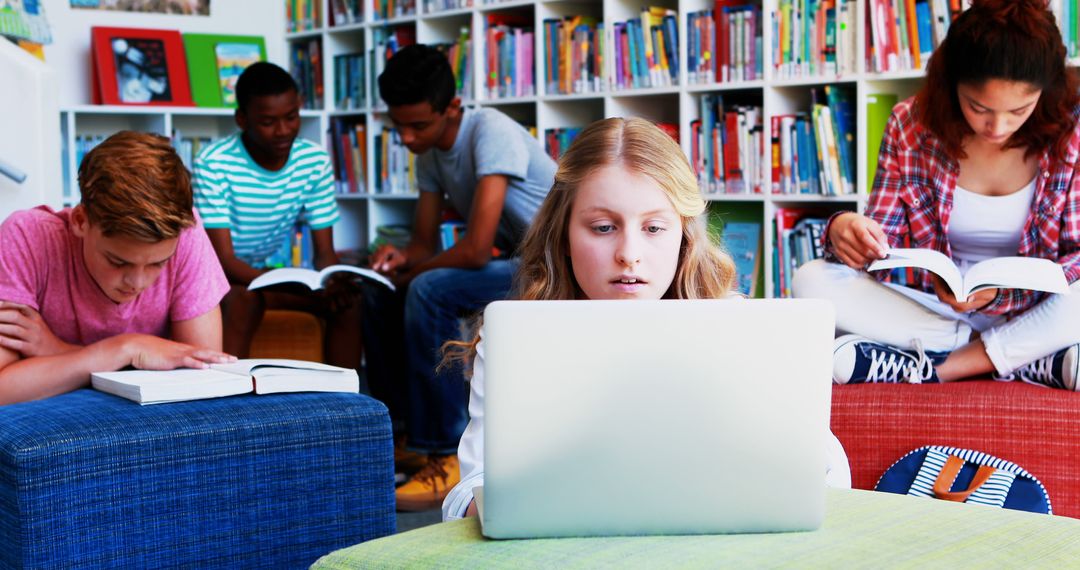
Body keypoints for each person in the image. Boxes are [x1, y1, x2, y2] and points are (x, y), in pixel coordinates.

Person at [441, 117, 852, 520]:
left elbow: (831, 472)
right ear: (563, 235)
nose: (629, 253)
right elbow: (464, 493)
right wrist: (504, 506)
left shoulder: (739, 329)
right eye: (603, 227)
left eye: (654, 228)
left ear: (684, 237)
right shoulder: (516, 340)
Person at [793, 0, 1080, 390]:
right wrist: (848, 231)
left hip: (1032, 310)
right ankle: (1029, 359)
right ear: (952, 85)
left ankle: (946, 367)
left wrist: (1004, 297)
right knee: (811, 280)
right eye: (979, 107)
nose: (997, 126)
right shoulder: (910, 125)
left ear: (1044, 94)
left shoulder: (1071, 130)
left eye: (1020, 109)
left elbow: (1076, 259)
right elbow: (884, 242)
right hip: (938, 312)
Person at [373, 44, 558, 510]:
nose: (409, 138)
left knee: (429, 288)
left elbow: (475, 250)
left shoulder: (489, 130)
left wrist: (415, 272)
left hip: (552, 263)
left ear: (452, 108)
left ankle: (446, 451)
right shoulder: (431, 154)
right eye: (399, 127)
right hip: (514, 261)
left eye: (419, 126)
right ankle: (409, 437)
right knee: (377, 291)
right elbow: (421, 242)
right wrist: (399, 260)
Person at [0, 131, 233, 405]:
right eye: (118, 261)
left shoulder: (185, 232)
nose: (137, 282)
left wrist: (60, 352)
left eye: (158, 263)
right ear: (80, 221)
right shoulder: (27, 237)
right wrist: (126, 349)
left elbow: (204, 378)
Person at [193, 62, 363, 371]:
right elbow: (222, 261)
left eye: (291, 117)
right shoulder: (213, 163)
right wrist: (285, 284)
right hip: (214, 279)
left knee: (346, 304)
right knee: (245, 301)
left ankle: (350, 405)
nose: (283, 131)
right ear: (242, 119)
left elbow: (325, 252)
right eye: (269, 122)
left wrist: (331, 280)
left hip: (261, 277)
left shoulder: (313, 161)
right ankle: (228, 402)